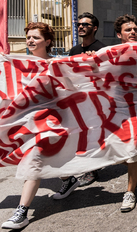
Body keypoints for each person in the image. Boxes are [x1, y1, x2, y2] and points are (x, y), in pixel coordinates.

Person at [2, 23, 82, 229]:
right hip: (25, 122)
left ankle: (22, 212)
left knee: (33, 160)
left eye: (35, 37)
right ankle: (69, 179)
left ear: (47, 42)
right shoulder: (17, 64)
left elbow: (73, 88)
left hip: (50, 122)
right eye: (28, 37)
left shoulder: (57, 64)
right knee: (45, 159)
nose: (30, 41)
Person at [64, 13, 107, 189]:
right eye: (79, 24)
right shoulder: (74, 50)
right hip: (78, 101)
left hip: (96, 101)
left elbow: (106, 76)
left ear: (94, 28)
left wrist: (94, 62)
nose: (81, 27)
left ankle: (92, 170)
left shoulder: (101, 49)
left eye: (86, 25)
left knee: (93, 135)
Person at [112, 15, 137, 212]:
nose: (133, 32)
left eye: (135, 29)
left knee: (134, 145)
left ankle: (130, 192)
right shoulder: (109, 53)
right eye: (128, 30)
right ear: (119, 34)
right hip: (118, 107)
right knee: (120, 148)